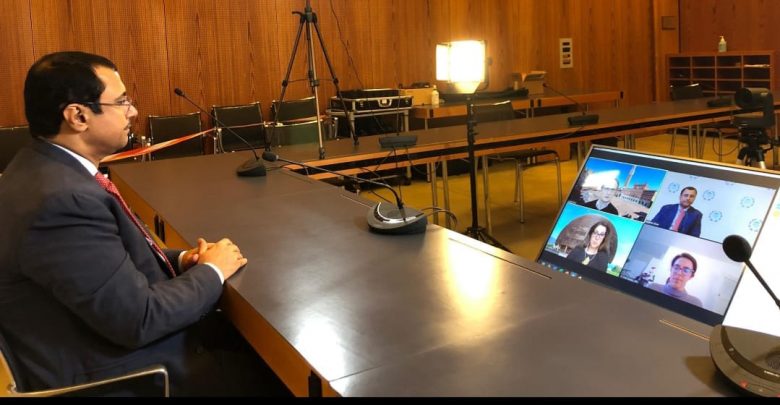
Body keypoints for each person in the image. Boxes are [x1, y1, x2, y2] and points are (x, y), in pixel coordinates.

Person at [0, 52, 288, 396]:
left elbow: (105, 261)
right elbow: (139, 319)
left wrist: (183, 259)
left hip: (102, 345)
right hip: (135, 374)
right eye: (121, 102)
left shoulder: (39, 169)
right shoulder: (61, 201)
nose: (133, 111)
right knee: (283, 374)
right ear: (78, 116)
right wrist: (212, 271)